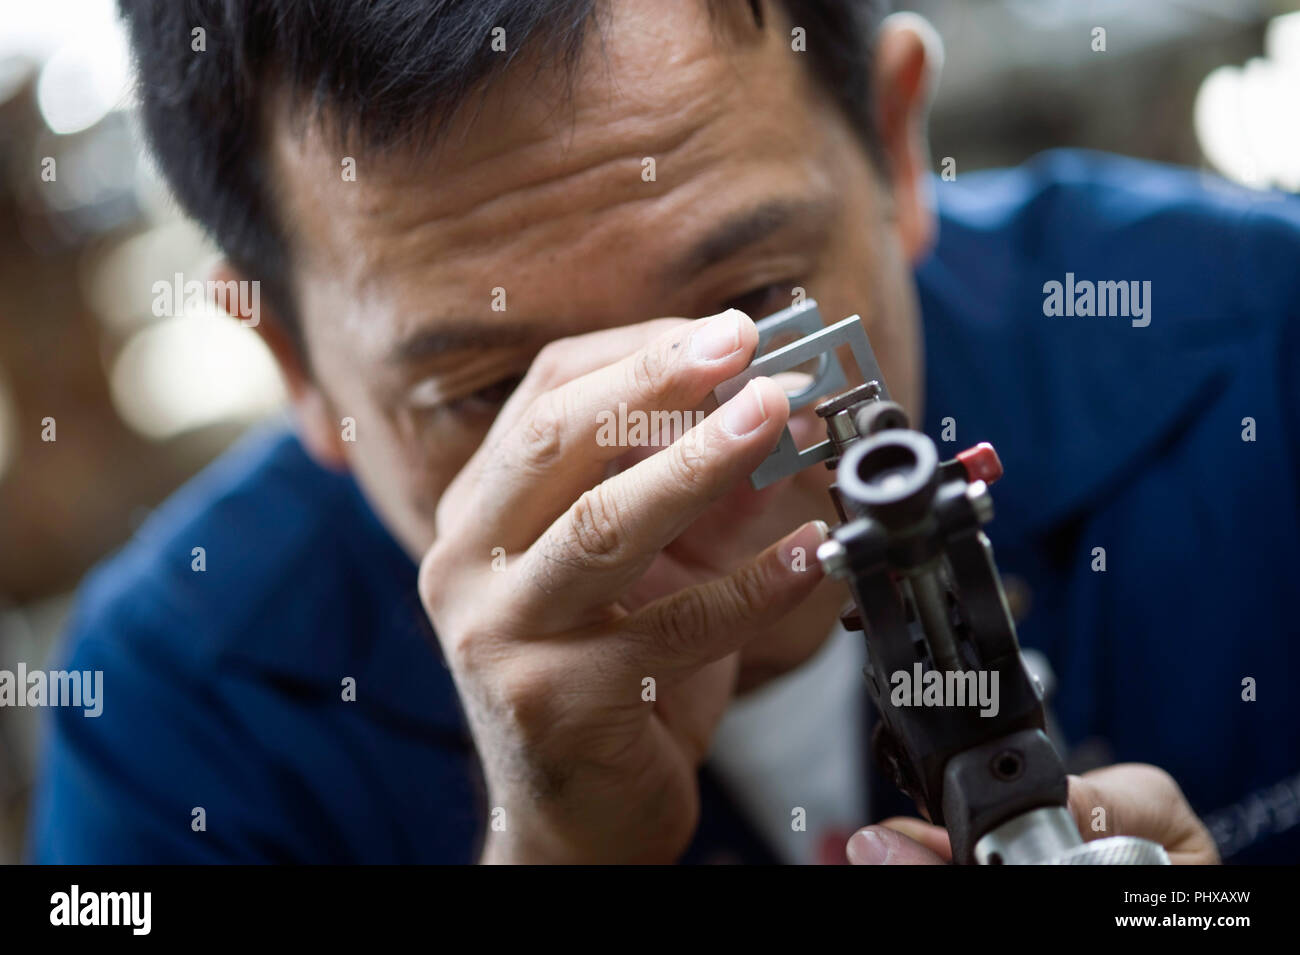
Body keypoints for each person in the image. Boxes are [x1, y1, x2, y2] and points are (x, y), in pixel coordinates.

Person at [28, 0, 1298, 864]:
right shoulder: (186, 714)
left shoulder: (1262, 353)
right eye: (491, 391)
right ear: (294, 363)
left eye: (751, 315)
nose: (671, 482)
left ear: (899, 148)